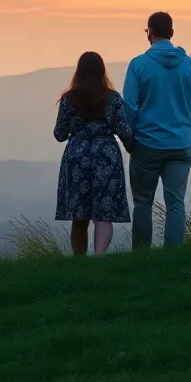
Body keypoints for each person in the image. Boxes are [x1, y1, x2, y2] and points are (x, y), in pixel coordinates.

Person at [122, 12, 191, 249]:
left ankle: (141, 258)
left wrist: (130, 136)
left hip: (146, 145)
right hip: (181, 143)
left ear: (149, 33)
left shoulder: (138, 65)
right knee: (175, 203)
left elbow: (129, 105)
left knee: (142, 203)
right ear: (172, 33)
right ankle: (173, 259)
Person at [54, 51, 134, 256]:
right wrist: (133, 147)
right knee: (103, 214)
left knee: (79, 216)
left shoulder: (68, 99)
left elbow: (60, 134)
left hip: (77, 158)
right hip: (106, 158)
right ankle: (99, 258)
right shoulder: (113, 99)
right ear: (102, 72)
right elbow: (125, 131)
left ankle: (79, 260)